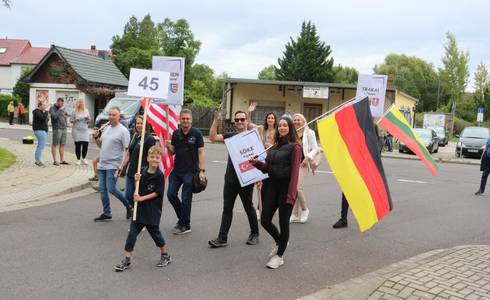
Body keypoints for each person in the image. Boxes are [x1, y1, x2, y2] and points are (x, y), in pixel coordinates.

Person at [249, 116, 302, 269]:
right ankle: (281, 241)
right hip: (272, 187)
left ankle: (279, 256)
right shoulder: (275, 146)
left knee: (283, 223)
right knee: (264, 220)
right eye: (280, 125)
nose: (282, 128)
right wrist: (257, 164)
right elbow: (268, 168)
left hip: (286, 189)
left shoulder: (295, 148)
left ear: (290, 128)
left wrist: (291, 195)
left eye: (285, 125)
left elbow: (295, 174)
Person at [114, 146, 171, 272]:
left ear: (160, 159)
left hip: (151, 211)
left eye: (157, 157)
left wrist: (141, 198)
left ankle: (165, 255)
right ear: (147, 158)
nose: (154, 160)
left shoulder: (159, 176)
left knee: (156, 235)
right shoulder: (143, 171)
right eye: (152, 157)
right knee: (131, 235)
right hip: (139, 211)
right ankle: (127, 259)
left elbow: (157, 193)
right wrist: (136, 181)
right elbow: (137, 189)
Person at [207, 110, 260, 248]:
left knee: (248, 207)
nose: (240, 122)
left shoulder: (253, 137)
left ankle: (255, 234)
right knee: (227, 208)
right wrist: (216, 119)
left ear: (247, 121)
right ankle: (222, 238)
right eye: (237, 120)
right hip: (230, 179)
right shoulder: (231, 136)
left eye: (242, 119)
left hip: (246, 178)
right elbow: (212, 137)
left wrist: (259, 177)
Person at [332, 123, 382, 229]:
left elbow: (373, 157)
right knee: (346, 194)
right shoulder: (357, 138)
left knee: (365, 195)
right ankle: (343, 219)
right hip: (352, 170)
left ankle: (369, 218)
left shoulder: (376, 142)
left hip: (365, 173)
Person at [164, 109, 205, 235]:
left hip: (191, 172)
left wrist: (202, 171)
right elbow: (173, 152)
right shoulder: (176, 133)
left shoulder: (197, 133)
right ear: (180, 119)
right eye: (183, 118)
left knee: (186, 198)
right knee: (171, 194)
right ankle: (183, 219)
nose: (185, 120)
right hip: (177, 171)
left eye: (187, 118)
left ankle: (185, 225)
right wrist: (168, 146)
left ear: (191, 120)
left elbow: (201, 152)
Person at [92, 106, 132, 221]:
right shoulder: (106, 128)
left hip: (114, 165)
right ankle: (107, 212)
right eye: (109, 114)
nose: (111, 117)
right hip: (103, 164)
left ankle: (129, 206)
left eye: (114, 115)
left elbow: (127, 150)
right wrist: (96, 138)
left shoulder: (123, 131)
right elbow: (101, 146)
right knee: (103, 191)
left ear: (119, 117)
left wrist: (122, 167)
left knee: (111, 188)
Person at [247, 103, 278, 219]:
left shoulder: (278, 131)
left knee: (270, 185)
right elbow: (248, 124)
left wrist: (272, 145)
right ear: (266, 119)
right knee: (260, 184)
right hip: (261, 160)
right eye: (269, 118)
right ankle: (260, 208)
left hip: (273, 160)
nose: (270, 119)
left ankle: (268, 208)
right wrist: (249, 111)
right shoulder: (261, 129)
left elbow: (281, 146)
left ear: (275, 120)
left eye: (272, 118)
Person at [117, 115, 155, 208]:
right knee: (127, 195)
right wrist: (121, 167)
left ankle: (137, 214)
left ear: (145, 124)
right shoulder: (134, 136)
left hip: (141, 172)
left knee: (139, 195)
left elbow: (152, 156)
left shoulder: (149, 138)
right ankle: (131, 209)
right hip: (131, 171)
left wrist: (149, 172)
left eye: (141, 123)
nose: (139, 125)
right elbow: (128, 154)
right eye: (137, 123)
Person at [290, 113, 319, 224]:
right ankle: (295, 214)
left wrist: (308, 157)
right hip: (292, 163)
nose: (296, 122)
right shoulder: (291, 133)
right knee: (293, 188)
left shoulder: (309, 132)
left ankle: (305, 209)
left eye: (299, 120)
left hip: (303, 163)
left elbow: (315, 149)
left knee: (297, 188)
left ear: (303, 121)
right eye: (295, 120)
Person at [70, 99, 91, 165]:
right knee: (78, 145)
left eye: (83, 103)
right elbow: (70, 120)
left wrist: (88, 119)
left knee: (85, 144)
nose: (82, 104)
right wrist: (76, 120)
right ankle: (78, 159)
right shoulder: (74, 111)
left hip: (85, 130)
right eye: (81, 103)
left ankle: (84, 158)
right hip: (76, 130)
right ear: (78, 104)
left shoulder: (86, 110)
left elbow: (89, 120)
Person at [49, 98, 69, 165]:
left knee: (62, 144)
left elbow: (65, 116)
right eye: (61, 103)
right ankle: (55, 160)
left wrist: (66, 123)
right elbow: (54, 116)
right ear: (57, 102)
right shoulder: (52, 108)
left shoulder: (62, 108)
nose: (62, 105)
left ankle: (62, 160)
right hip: (57, 128)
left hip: (64, 128)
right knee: (55, 144)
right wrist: (60, 110)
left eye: (63, 103)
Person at [32, 101, 49, 167]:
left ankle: (38, 160)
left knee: (41, 146)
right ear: (40, 106)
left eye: (45, 105)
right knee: (40, 146)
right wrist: (46, 111)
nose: (45, 107)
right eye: (44, 105)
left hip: (43, 130)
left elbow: (45, 120)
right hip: (39, 130)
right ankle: (38, 161)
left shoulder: (41, 112)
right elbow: (42, 118)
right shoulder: (36, 112)